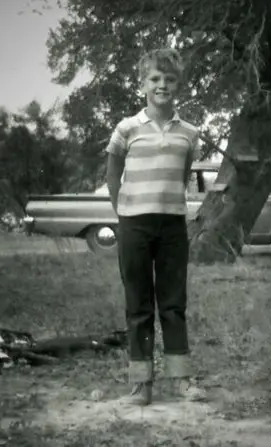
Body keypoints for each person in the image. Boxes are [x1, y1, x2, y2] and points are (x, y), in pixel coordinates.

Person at [106, 48, 207, 406]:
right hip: (134, 225)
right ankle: (141, 385)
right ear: (142, 84)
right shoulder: (126, 128)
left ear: (179, 85)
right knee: (138, 304)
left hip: (172, 228)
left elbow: (180, 177)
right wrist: (125, 212)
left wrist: (167, 209)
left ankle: (182, 380)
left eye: (169, 79)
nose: (162, 85)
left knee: (173, 303)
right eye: (155, 79)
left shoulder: (189, 133)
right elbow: (112, 173)